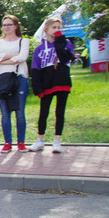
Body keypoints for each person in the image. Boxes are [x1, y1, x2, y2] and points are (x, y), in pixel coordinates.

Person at [30, 17, 75, 153]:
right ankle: (40, 140)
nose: (56, 30)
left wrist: (60, 44)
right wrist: (37, 87)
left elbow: (67, 59)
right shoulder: (39, 49)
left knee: (60, 112)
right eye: (54, 27)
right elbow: (35, 69)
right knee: (43, 112)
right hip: (47, 83)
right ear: (46, 29)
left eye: (59, 27)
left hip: (62, 81)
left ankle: (57, 141)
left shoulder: (66, 43)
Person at [0, 15, 30, 153]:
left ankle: (21, 142)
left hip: (19, 78)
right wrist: (13, 55)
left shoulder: (23, 41)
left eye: (9, 24)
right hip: (2, 79)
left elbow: (22, 57)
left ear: (16, 26)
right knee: (5, 113)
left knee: (20, 112)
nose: (6, 27)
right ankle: (7, 142)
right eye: (4, 25)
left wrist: (3, 59)